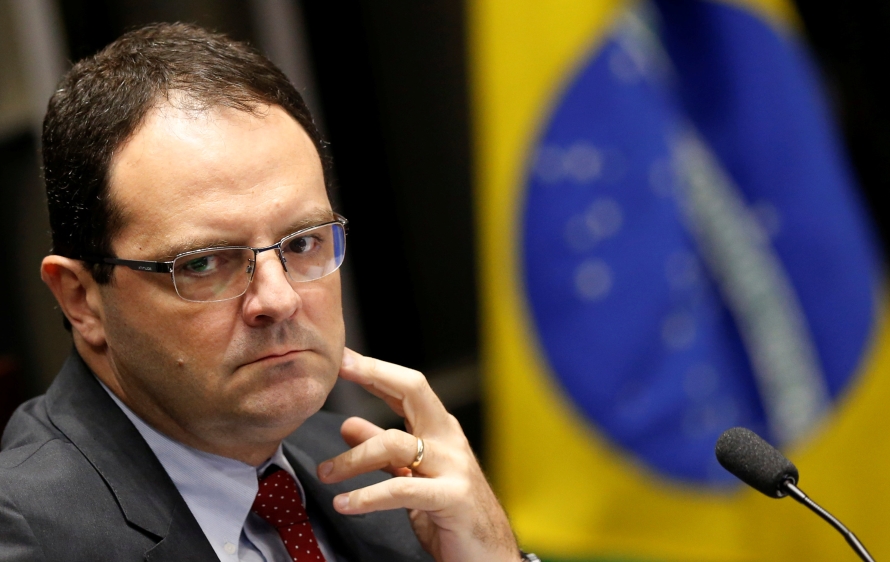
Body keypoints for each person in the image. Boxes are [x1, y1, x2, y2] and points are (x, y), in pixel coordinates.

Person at [0, 23, 532, 562]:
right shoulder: (27, 534)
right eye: (204, 262)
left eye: (302, 243)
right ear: (81, 299)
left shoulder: (378, 470)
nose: (279, 300)